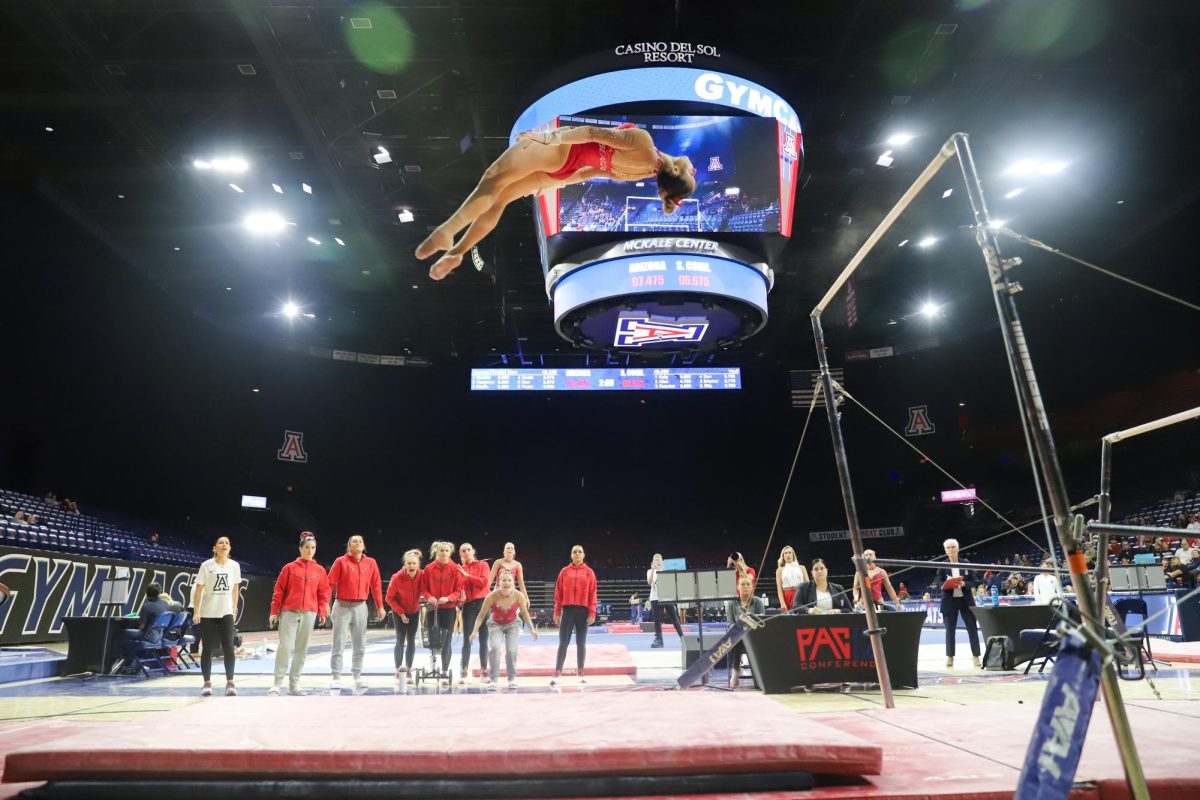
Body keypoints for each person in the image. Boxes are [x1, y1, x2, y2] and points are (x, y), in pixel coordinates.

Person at [416, 123, 697, 280]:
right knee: (500, 200)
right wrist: (555, 181)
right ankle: (459, 252)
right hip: (563, 169)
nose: (693, 168)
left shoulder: (643, 142)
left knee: (494, 179)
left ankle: (447, 232)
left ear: (674, 172)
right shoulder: (638, 171)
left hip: (560, 151)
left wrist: (548, 138)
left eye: (690, 173)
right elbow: (590, 172)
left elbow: (591, 133)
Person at [268, 533, 330, 696]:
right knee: (285, 647)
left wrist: (322, 610)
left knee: (301, 649)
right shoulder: (289, 568)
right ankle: (277, 683)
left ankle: (294, 684)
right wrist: (274, 611)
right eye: (307, 548)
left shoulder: (320, 570)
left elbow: (324, 592)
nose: (310, 551)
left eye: (313, 548)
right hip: (289, 611)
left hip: (309, 613)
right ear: (300, 549)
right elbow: (279, 590)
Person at [327, 535, 385, 695]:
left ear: (363, 545)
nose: (357, 543)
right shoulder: (340, 562)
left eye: (360, 541)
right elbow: (329, 583)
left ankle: (357, 675)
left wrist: (380, 606)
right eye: (354, 541)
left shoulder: (371, 563)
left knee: (360, 643)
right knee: (338, 642)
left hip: (360, 606)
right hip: (342, 605)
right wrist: (325, 603)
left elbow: (376, 585)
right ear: (349, 546)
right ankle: (336, 676)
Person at [468, 569, 538, 690]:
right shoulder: (491, 596)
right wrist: (474, 631)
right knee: (494, 647)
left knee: (511, 650)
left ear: (513, 582)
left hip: (513, 624)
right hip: (496, 624)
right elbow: (480, 616)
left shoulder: (519, 596)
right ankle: (493, 680)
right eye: (504, 580)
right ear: (499, 582)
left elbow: (525, 614)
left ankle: (512, 679)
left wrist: (532, 628)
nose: (506, 582)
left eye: (509, 580)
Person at [191, 536, 241, 696]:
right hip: (208, 614)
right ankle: (207, 683)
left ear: (230, 548)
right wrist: (196, 611)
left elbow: (235, 589)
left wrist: (234, 608)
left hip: (226, 613)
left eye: (227, 543)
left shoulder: (234, 566)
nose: (224, 545)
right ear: (214, 548)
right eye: (221, 543)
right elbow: (198, 590)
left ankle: (230, 682)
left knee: (229, 648)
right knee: (207, 649)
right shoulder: (206, 566)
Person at [552, 545, 598, 685]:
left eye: (579, 552)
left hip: (582, 611)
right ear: (571, 555)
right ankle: (557, 673)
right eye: (574, 552)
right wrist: (557, 611)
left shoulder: (589, 573)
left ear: (583, 555)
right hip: (567, 610)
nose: (577, 554)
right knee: (563, 643)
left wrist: (592, 612)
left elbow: (593, 594)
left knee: (581, 643)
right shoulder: (564, 572)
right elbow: (558, 593)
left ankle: (581, 672)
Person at [421, 540, 464, 681]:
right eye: (441, 550)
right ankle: (432, 667)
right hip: (433, 608)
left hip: (448, 609)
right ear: (436, 552)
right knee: (433, 639)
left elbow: (458, 590)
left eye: (446, 550)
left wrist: (449, 598)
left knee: (446, 641)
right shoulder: (428, 568)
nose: (444, 553)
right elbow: (423, 589)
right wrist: (429, 597)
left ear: (450, 552)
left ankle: (445, 671)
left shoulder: (455, 569)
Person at [940, 538, 981, 669]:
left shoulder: (965, 563)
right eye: (948, 548)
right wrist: (946, 585)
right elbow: (937, 582)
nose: (951, 549)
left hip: (966, 600)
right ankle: (950, 657)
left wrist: (965, 584)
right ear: (945, 551)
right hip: (949, 601)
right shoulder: (943, 565)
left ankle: (976, 656)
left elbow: (975, 581)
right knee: (950, 631)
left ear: (958, 549)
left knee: (972, 629)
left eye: (953, 547)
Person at [386, 549, 423, 685]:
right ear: (405, 564)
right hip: (399, 611)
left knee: (411, 639)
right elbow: (389, 597)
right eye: (409, 563)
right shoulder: (396, 577)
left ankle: (408, 669)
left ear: (418, 564)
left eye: (414, 563)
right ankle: (397, 670)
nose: (411, 566)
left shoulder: (422, 575)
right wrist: (401, 613)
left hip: (414, 610)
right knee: (400, 639)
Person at [119, 582, 172, 674]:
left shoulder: (146, 605)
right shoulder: (166, 604)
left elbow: (142, 626)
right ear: (159, 592)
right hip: (161, 635)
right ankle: (136, 664)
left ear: (147, 593)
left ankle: (127, 664)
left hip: (150, 636)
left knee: (122, 634)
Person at [457, 542, 492, 683]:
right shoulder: (460, 569)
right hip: (468, 605)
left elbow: (484, 582)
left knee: (484, 639)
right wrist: (460, 595)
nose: (466, 552)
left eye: (468, 550)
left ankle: (484, 671)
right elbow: (459, 587)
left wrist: (466, 576)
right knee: (467, 639)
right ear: (460, 554)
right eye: (463, 551)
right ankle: (464, 672)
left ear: (473, 551)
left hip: (483, 603)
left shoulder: (483, 565)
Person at [725, 575, 766, 687]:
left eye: (748, 584)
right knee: (738, 638)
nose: (745, 587)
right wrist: (739, 629)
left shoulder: (758, 602)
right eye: (742, 584)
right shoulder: (731, 603)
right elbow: (729, 623)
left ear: (752, 587)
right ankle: (735, 672)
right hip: (737, 636)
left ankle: (759, 674)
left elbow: (761, 621)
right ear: (738, 587)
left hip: (754, 636)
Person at [646, 553, 682, 649]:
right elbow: (649, 582)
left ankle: (682, 637)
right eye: (656, 560)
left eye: (659, 560)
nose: (657, 562)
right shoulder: (650, 571)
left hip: (666, 597)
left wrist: (664, 570)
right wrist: (653, 570)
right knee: (657, 620)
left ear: (662, 561)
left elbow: (670, 583)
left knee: (674, 618)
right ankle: (659, 640)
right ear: (653, 561)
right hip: (655, 597)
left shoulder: (665, 570)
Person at [775, 546, 809, 611]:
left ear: (793, 555)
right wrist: (782, 603)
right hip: (787, 596)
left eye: (789, 552)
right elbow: (779, 588)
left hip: (801, 594)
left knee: (803, 617)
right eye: (786, 553)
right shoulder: (779, 570)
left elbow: (808, 585)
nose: (788, 555)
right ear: (783, 556)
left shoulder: (802, 568)